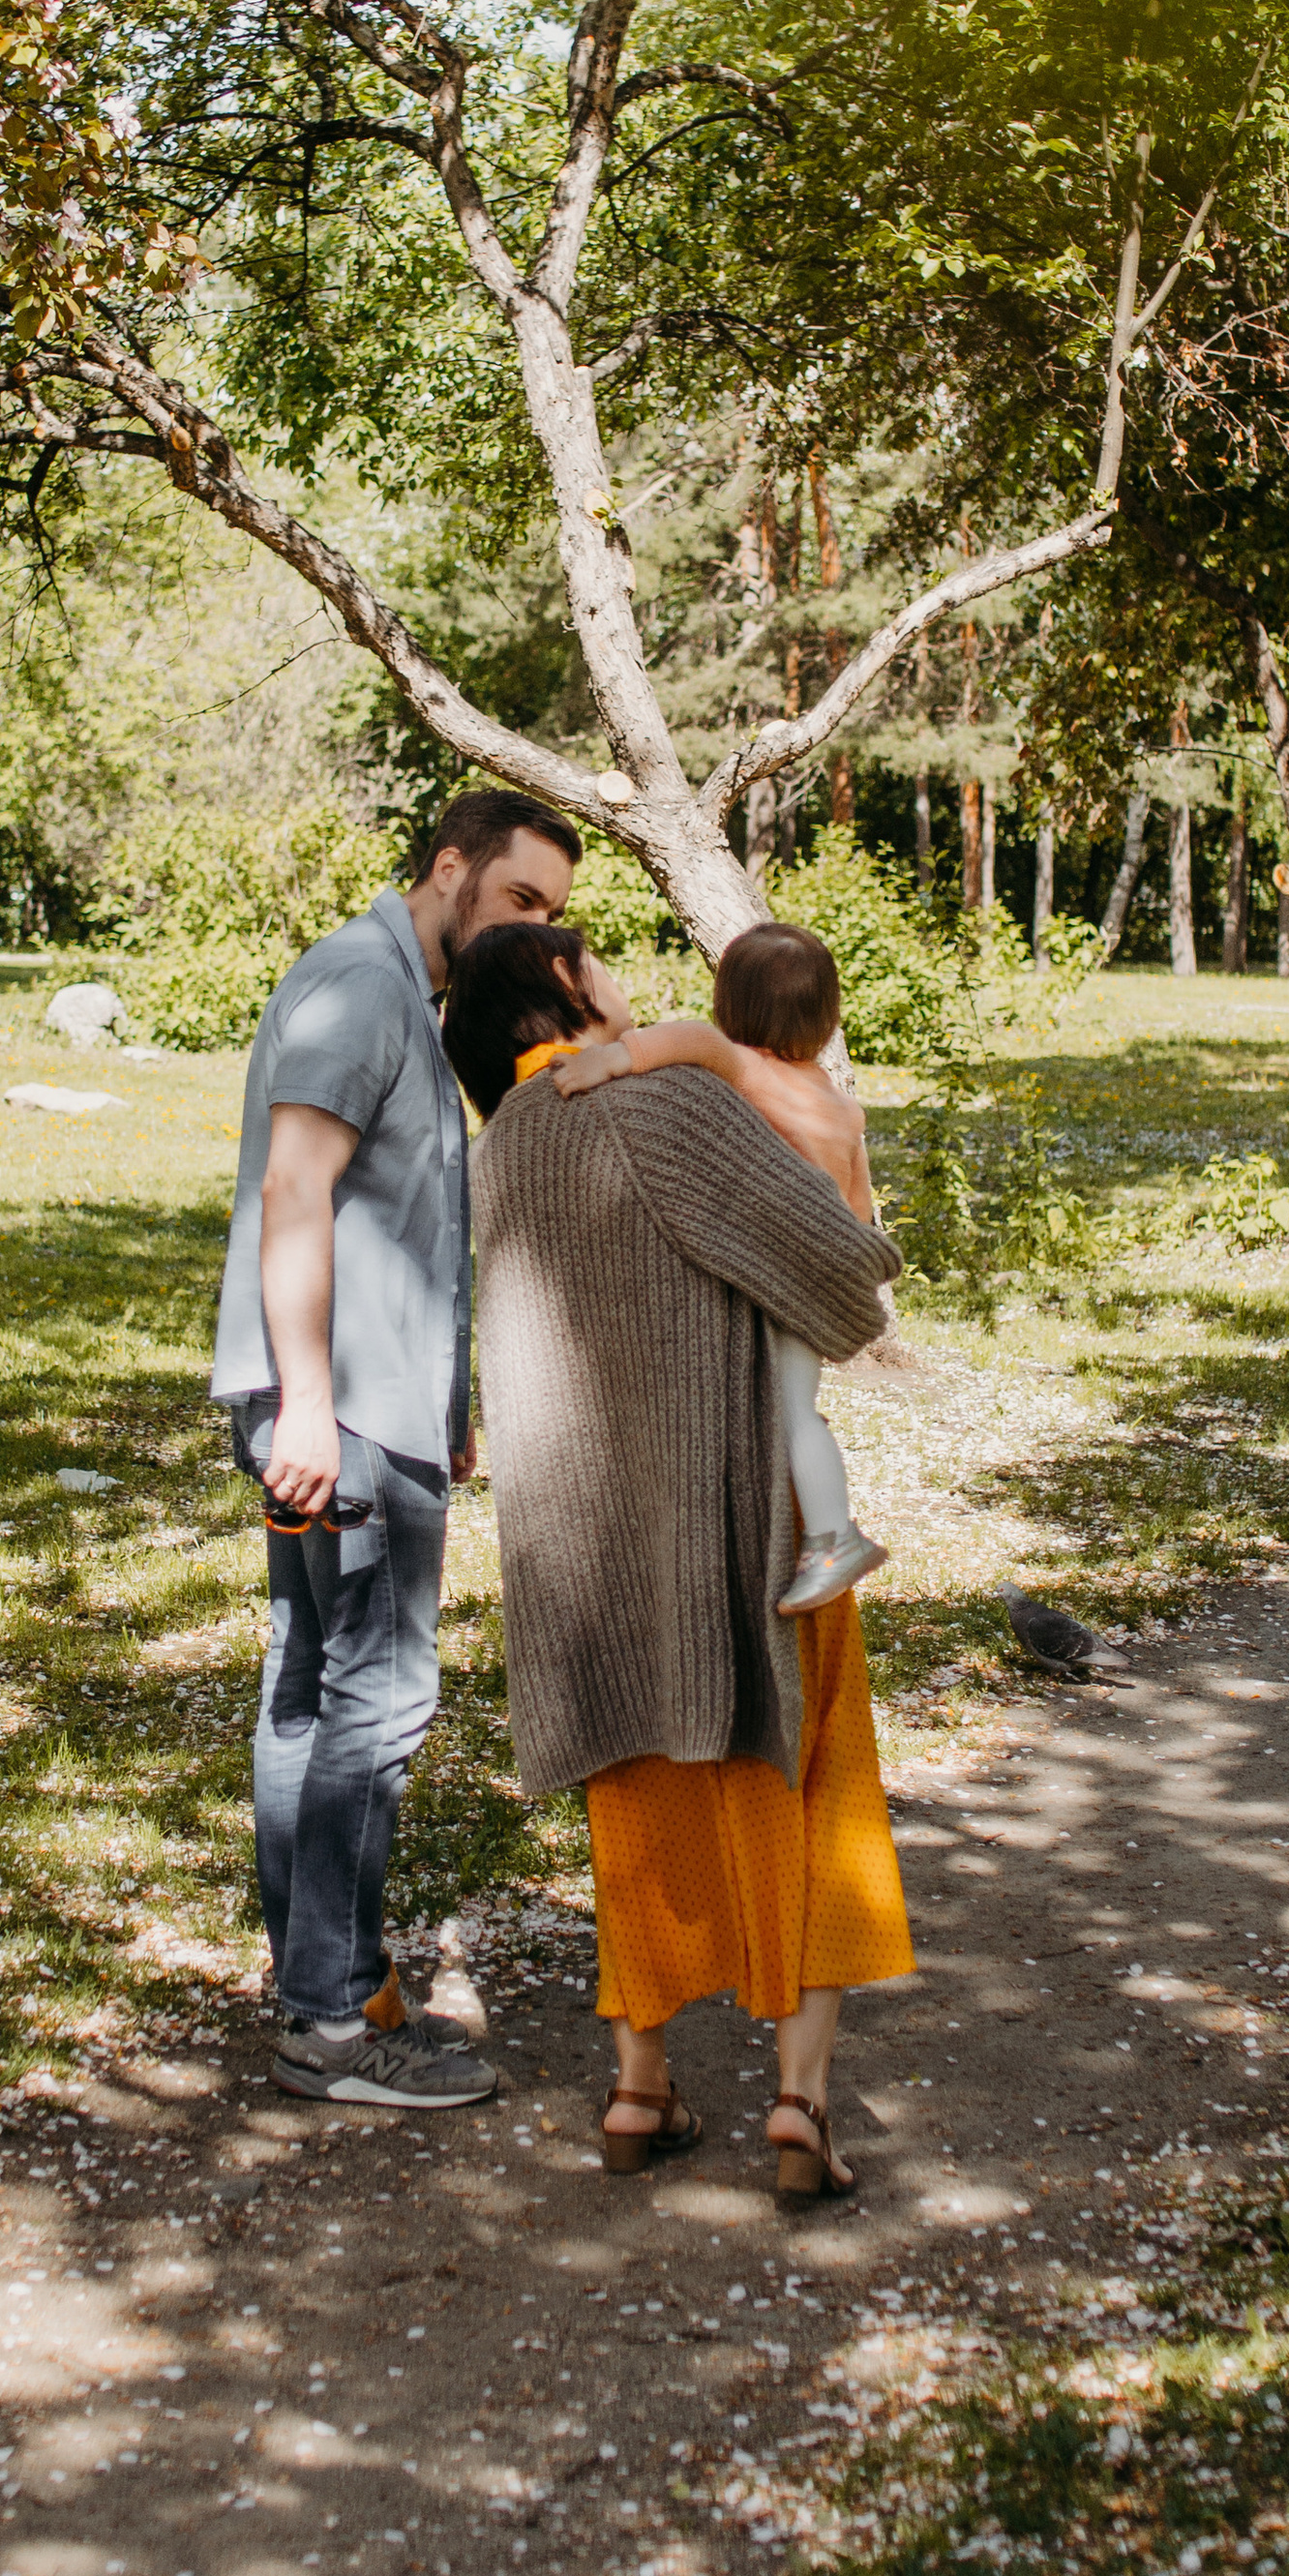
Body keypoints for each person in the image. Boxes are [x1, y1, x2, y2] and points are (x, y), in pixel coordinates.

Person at [441, 920, 914, 2201]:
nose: (618, 976)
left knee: (638, 1807)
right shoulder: (667, 1107)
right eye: (595, 957)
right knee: (803, 1783)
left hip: (590, 1550)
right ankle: (799, 2103)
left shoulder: (504, 1144)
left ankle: (640, 2088)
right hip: (743, 1518)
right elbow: (842, 1276)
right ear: (563, 983)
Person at [212, 788, 582, 2106]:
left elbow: (394, 1224)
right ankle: (331, 2025)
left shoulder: (407, 1001)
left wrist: (449, 1399)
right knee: (375, 1694)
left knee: (311, 1685)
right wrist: (311, 1401)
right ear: (450, 867)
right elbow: (294, 1189)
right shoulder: (365, 987)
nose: (533, 930)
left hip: (375, 1401)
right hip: (343, 1409)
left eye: (551, 913)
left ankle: (325, 1986)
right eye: (519, 898)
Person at [550, 919, 885, 1614]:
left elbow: (693, 1040)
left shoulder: (744, 1065)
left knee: (792, 1413)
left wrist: (609, 1061)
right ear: (827, 1017)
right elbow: (856, 1215)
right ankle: (823, 1531)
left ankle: (834, 1538)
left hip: (777, 1278)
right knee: (793, 1407)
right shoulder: (840, 1104)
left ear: (731, 1005)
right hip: (810, 1277)